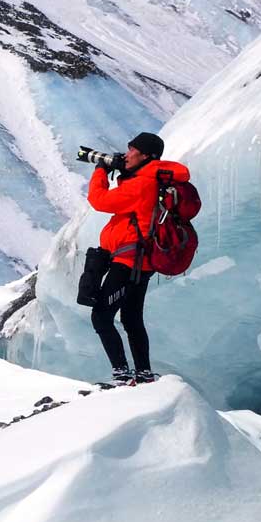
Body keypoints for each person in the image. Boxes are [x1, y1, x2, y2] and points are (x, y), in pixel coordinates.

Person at [86, 131, 166, 385]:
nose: (126, 154)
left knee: (101, 315)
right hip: (137, 262)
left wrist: (100, 170)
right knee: (131, 318)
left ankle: (122, 374)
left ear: (146, 156)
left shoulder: (143, 184)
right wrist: (124, 173)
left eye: (132, 150)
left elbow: (100, 200)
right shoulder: (146, 179)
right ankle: (143, 374)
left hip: (129, 263)